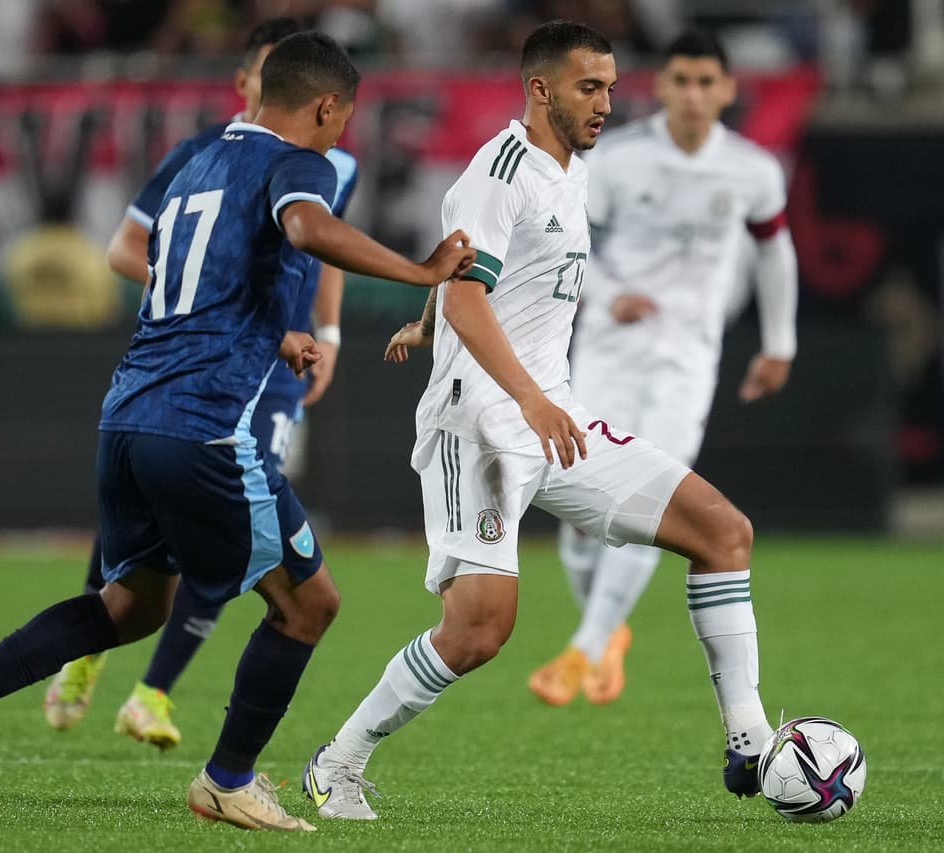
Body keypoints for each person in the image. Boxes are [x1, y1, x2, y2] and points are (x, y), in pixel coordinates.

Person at [0, 32, 475, 832]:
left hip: (127, 417)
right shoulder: (302, 163)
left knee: (130, 606)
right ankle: (228, 778)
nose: (342, 133)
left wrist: (276, 335)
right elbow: (307, 231)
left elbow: (190, 279)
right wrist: (421, 270)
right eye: (344, 118)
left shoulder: (196, 161)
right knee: (310, 605)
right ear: (327, 105)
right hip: (206, 430)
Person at [302, 20, 775, 821]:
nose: (606, 104)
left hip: (554, 412)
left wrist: (428, 324)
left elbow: (474, 268)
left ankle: (751, 740)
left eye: (613, 89)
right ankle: (339, 760)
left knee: (722, 530)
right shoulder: (502, 168)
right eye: (590, 89)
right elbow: (466, 286)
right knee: (480, 631)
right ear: (541, 89)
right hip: (478, 423)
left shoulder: (570, 171)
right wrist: (508, 378)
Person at [42, 17, 361, 753]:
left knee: (238, 523)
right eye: (261, 70)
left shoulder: (329, 162)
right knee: (188, 519)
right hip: (203, 361)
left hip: (279, 363)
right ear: (248, 81)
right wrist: (202, 300)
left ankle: (153, 691)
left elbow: (331, 245)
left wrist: (334, 332)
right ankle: (96, 641)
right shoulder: (202, 155)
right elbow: (127, 247)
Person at [526, 27, 798, 708]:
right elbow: (568, 246)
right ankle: (607, 628)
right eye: (682, 81)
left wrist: (780, 342)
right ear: (662, 87)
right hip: (607, 347)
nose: (694, 95)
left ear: (728, 90)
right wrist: (610, 294)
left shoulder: (753, 170)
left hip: (688, 356)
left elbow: (774, 252)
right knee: (583, 512)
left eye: (707, 82)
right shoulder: (616, 160)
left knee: (655, 497)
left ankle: (584, 648)